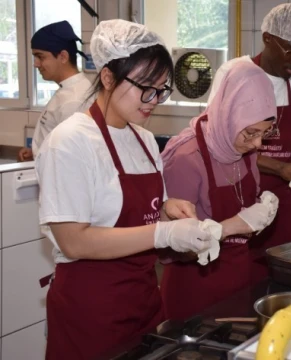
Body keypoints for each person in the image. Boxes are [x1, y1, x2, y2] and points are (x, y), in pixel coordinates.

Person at [36, 20, 220, 359]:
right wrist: (163, 233)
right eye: (145, 88)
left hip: (144, 302)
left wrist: (169, 209)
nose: (154, 100)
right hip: (90, 313)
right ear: (107, 77)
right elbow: (73, 240)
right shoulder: (69, 142)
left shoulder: (145, 140)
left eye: (162, 90)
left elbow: (145, 210)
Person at [207, 3, 291, 282]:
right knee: (238, 286)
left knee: (283, 280)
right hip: (239, 201)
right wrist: (281, 168)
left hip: (280, 203)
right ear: (268, 38)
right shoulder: (235, 72)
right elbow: (215, 145)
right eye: (290, 50)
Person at [160, 61, 280, 320]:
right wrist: (231, 227)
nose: (258, 143)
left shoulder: (243, 150)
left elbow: (247, 198)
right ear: (230, 115)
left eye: (265, 132)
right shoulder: (187, 158)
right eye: (251, 132)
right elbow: (175, 248)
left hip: (238, 282)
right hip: (195, 291)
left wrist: (261, 208)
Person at [18, 20, 92, 162]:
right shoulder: (67, 90)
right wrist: (35, 152)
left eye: (40, 56)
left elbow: (70, 157)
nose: (35, 64)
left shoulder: (75, 99)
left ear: (63, 57)